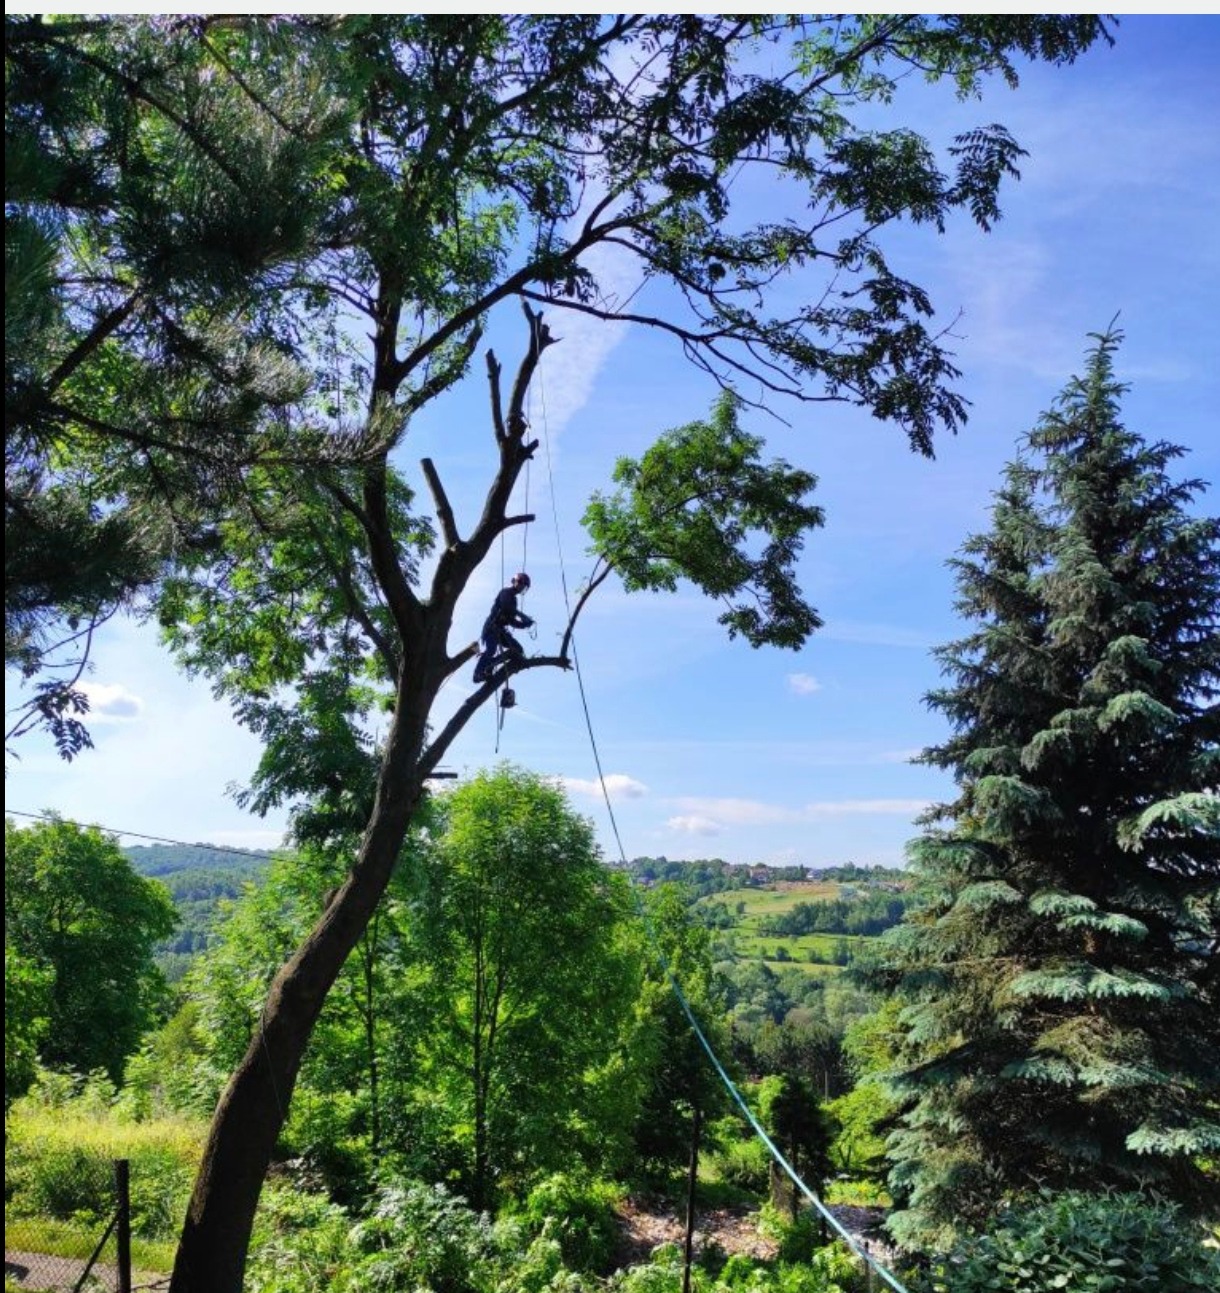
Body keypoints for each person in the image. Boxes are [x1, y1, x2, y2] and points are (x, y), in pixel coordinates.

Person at [473, 572, 533, 683]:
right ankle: (478, 673)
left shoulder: (514, 601)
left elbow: (512, 621)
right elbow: (506, 607)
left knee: (518, 650)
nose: (521, 588)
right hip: (491, 628)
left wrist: (525, 624)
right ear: (515, 582)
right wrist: (522, 616)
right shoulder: (506, 592)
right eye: (521, 584)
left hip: (501, 631)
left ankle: (491, 665)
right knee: (491, 649)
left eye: (524, 586)